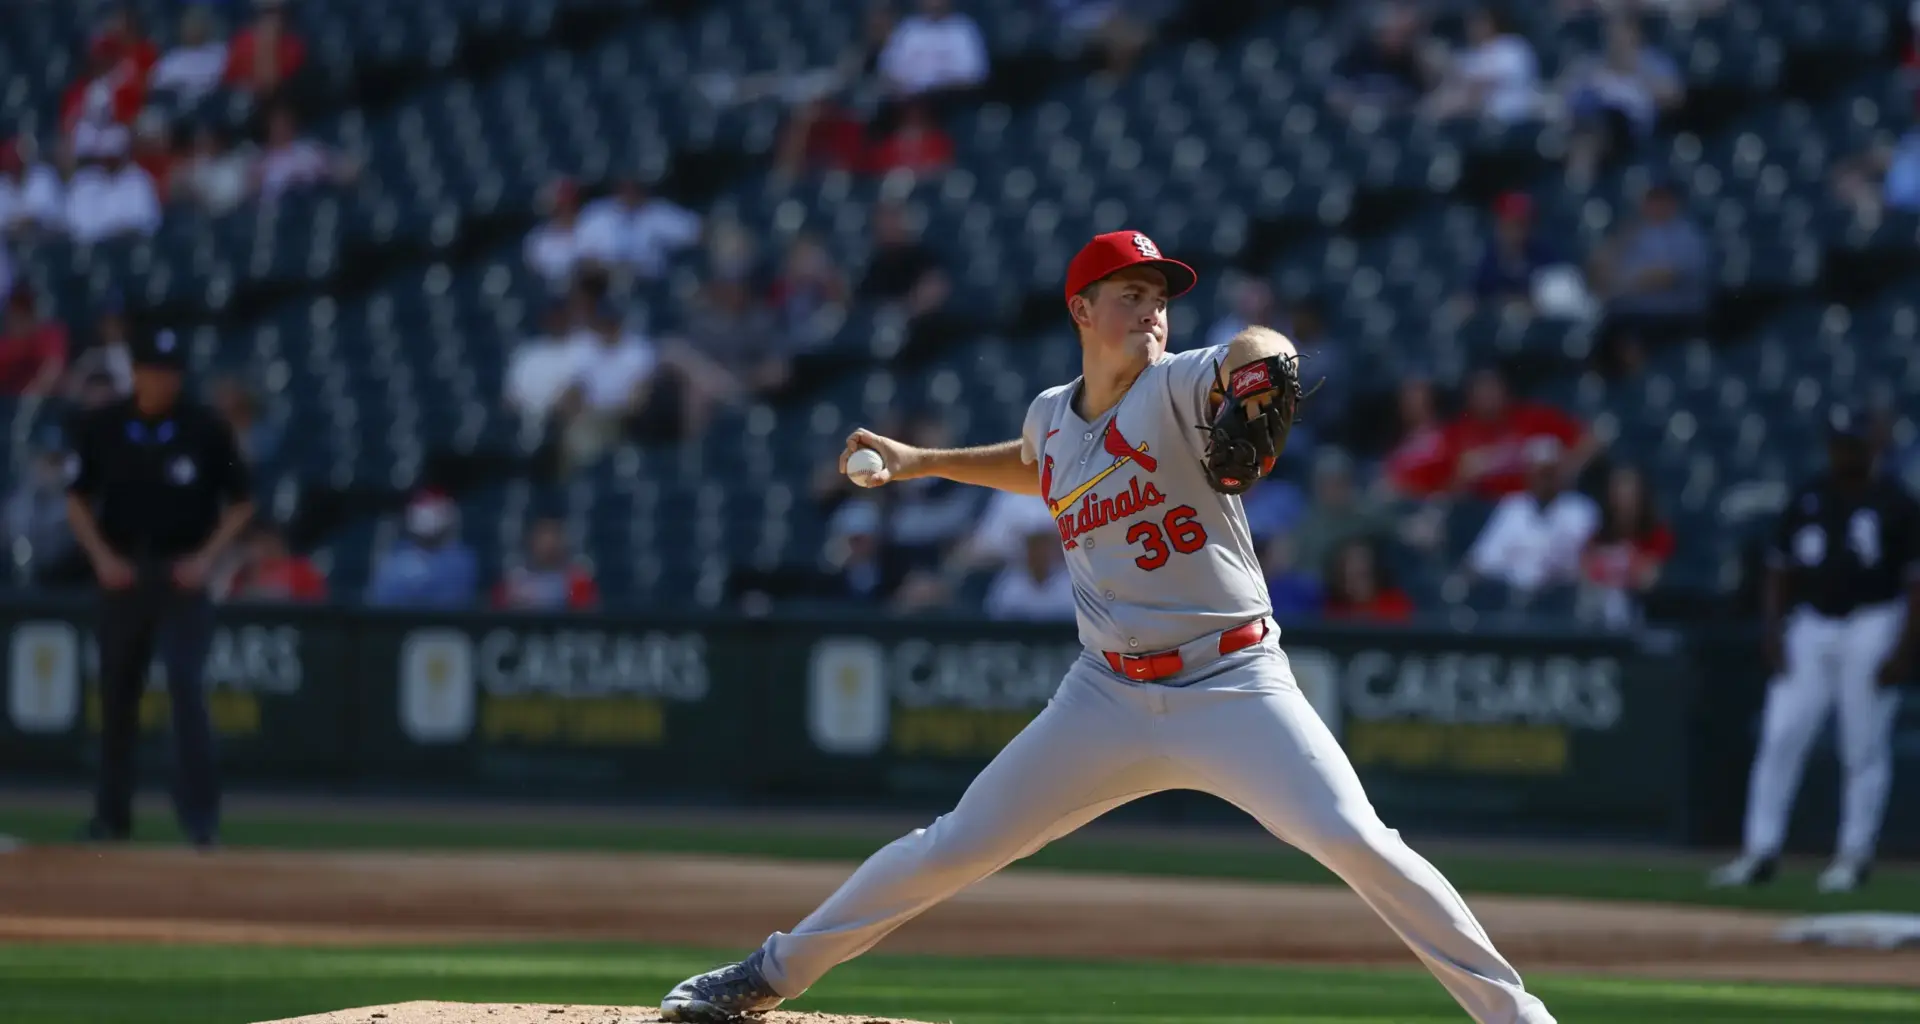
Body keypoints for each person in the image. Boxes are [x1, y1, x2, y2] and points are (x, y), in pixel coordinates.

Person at [659, 231, 1555, 1023]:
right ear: (1083, 308)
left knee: (1362, 846)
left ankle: (1519, 1019)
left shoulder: (1177, 389)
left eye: (1161, 299)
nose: (1153, 313)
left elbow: (1260, 346)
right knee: (952, 846)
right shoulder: (1052, 416)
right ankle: (768, 974)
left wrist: (1263, 366)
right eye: (1133, 296)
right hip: (1105, 693)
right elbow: (1037, 463)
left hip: (1233, 683)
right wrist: (921, 461)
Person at [1710, 407, 1920, 895]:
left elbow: (1914, 583)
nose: (1842, 452)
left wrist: (1904, 648)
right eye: (1837, 443)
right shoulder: (1809, 496)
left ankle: (1853, 855)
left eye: (1852, 443)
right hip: (1810, 625)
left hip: (1872, 620)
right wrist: (1773, 632)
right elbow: (1778, 569)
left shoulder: (1897, 502)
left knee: (1862, 745)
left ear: (1870, 447)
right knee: (1782, 734)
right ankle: (1759, 851)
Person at [64, 327, 254, 849]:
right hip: (124, 571)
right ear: (138, 373)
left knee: (187, 691)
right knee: (117, 695)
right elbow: (76, 498)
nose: (163, 379)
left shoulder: (208, 428)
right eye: (154, 369)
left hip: (182, 575)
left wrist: (207, 560)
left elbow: (243, 501)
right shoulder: (102, 426)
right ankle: (111, 818)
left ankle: (200, 821)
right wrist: (102, 558)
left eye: (172, 371)